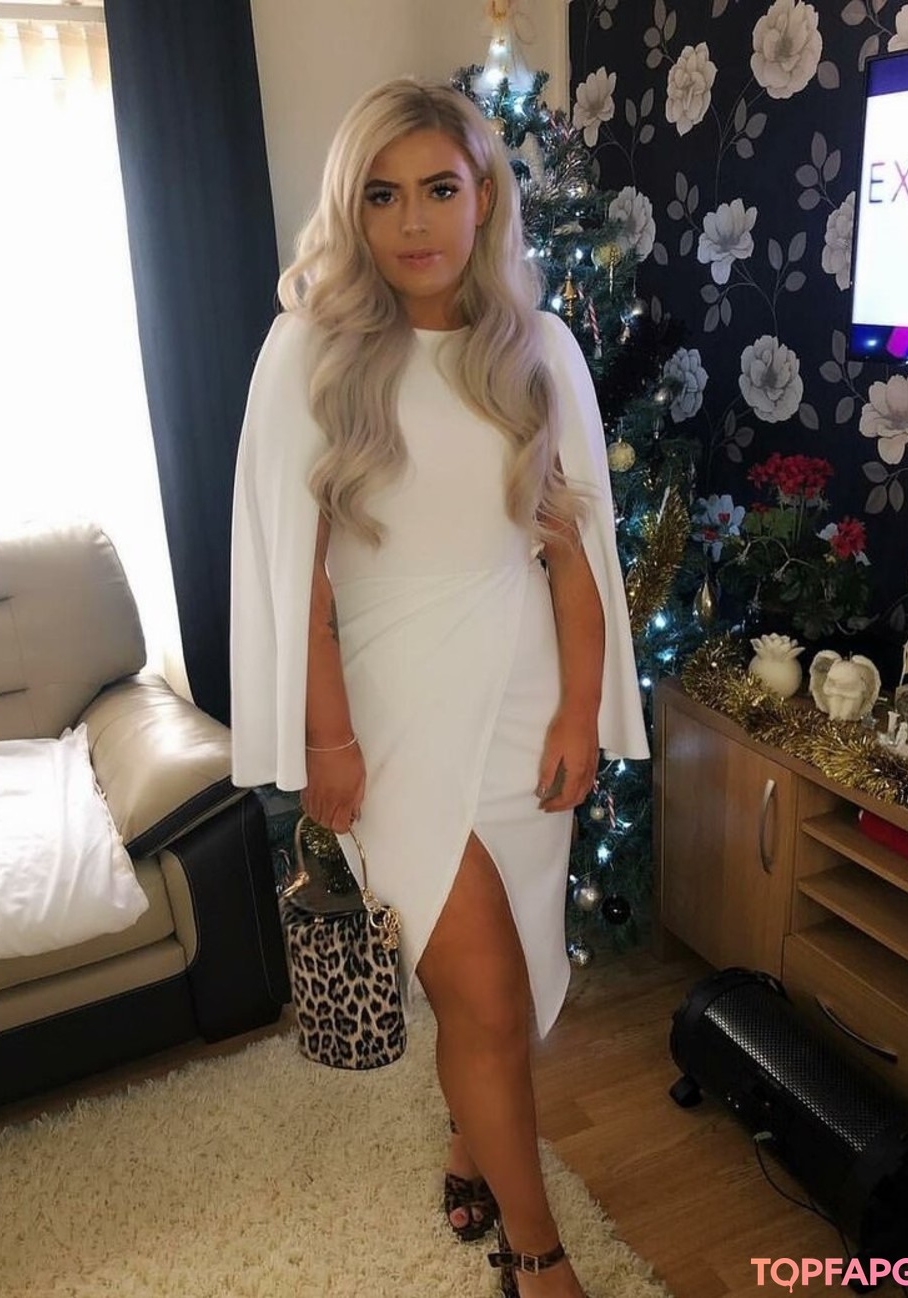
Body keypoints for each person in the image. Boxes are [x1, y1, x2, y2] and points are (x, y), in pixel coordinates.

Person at [230, 77, 648, 1298]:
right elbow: (297, 576)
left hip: (522, 705)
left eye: (439, 189)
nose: (413, 221)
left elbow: (573, 555)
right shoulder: (309, 352)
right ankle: (540, 1256)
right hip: (389, 711)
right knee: (489, 992)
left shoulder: (540, 350)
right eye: (382, 194)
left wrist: (579, 709)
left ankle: (471, 1140)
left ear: (484, 199)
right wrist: (328, 740)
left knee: (499, 992)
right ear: (350, 209)